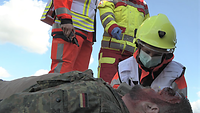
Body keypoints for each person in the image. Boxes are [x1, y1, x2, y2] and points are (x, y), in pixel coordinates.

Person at [0, 70, 193, 113]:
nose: (156, 87)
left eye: (165, 93)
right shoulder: (117, 97)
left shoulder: (97, 103)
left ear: (152, 109)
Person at [110, 14, 188, 97]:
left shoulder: (176, 74)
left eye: (157, 54)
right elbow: (112, 101)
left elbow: (181, 106)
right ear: (139, 46)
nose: (150, 57)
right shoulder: (124, 69)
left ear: (166, 53)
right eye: (147, 51)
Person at [97, 0, 150, 83]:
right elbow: (105, 10)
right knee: (106, 84)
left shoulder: (143, 5)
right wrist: (111, 26)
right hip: (111, 51)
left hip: (132, 55)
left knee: (128, 89)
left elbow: (147, 26)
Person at [41, 0, 98, 73]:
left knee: (80, 74)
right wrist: (65, 18)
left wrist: (92, 35)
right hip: (69, 26)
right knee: (61, 70)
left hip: (86, 31)